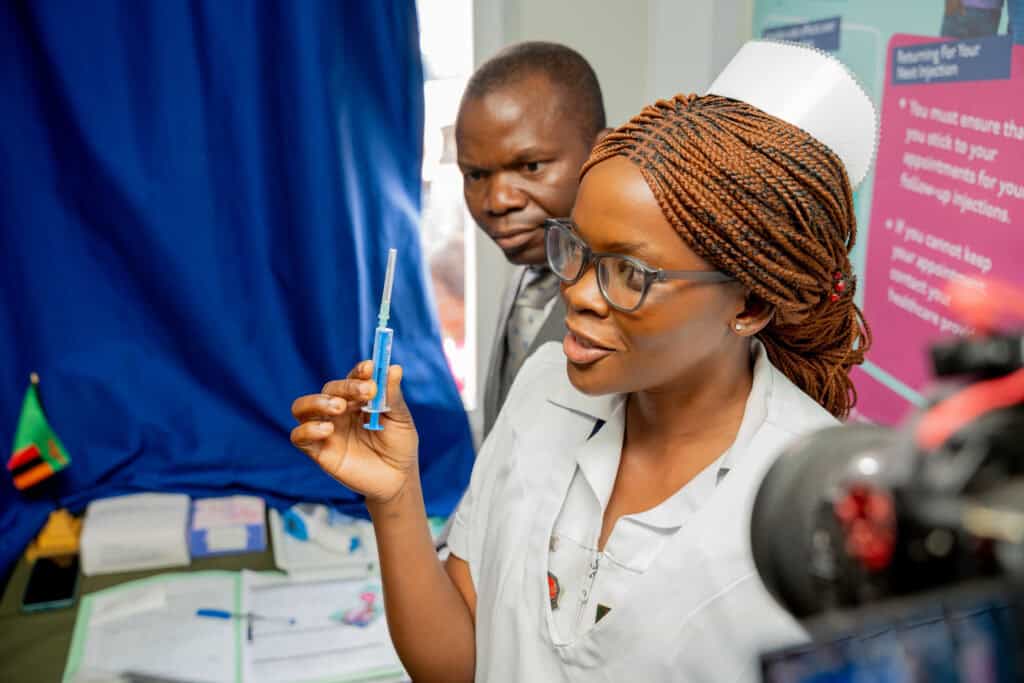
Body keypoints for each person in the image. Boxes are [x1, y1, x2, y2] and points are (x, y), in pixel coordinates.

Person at [291, 41, 875, 682]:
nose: (576, 291)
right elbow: (458, 667)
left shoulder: (820, 508)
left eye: (628, 272)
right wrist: (396, 496)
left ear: (751, 303)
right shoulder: (543, 390)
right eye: (578, 249)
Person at [455, 42, 608, 436]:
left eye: (531, 166)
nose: (497, 201)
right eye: (475, 175)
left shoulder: (640, 293)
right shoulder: (531, 259)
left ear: (602, 150)